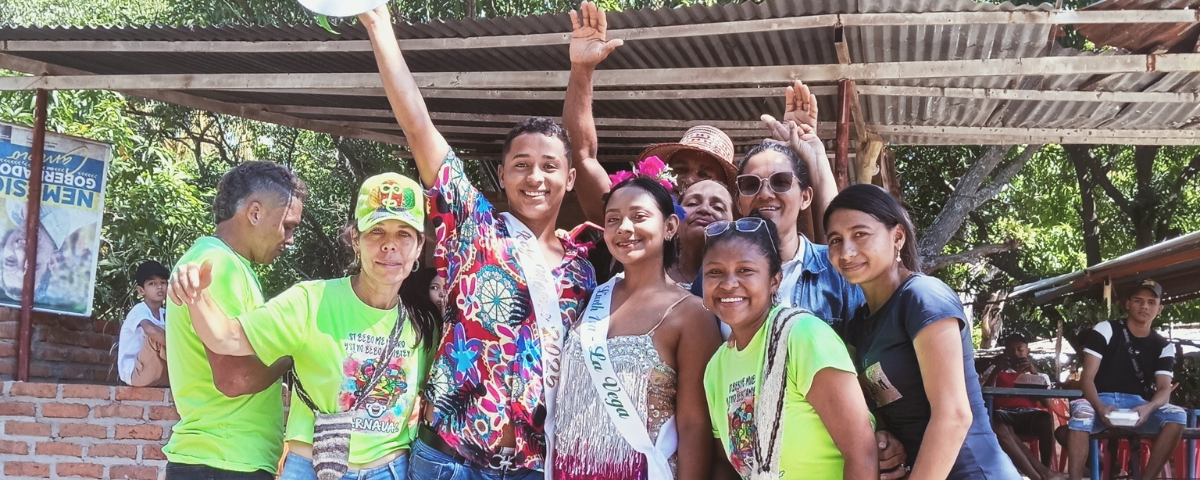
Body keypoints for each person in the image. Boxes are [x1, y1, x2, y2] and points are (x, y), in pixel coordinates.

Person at [362, 7, 597, 479]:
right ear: (503, 175)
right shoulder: (474, 227)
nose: (536, 177)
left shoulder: (585, 272)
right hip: (450, 458)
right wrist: (378, 24)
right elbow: (417, 126)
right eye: (522, 165)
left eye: (550, 167)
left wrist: (583, 72)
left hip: (536, 467)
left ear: (569, 179)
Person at [170, 173, 439, 480]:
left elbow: (437, 400)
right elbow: (226, 338)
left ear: (419, 246)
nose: (390, 246)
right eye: (376, 231)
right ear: (356, 240)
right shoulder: (310, 300)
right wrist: (195, 295)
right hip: (311, 469)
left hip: (391, 471)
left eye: (404, 234)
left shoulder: (424, 323)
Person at [825, 184, 1019, 480]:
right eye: (835, 240)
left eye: (860, 234)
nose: (847, 251)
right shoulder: (858, 324)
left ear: (897, 236)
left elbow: (954, 416)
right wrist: (886, 437)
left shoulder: (923, 298)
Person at [553, 176, 721, 480]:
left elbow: (694, 425)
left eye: (638, 216)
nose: (624, 228)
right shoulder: (591, 298)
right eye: (613, 219)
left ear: (670, 226)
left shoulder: (692, 314)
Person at [702, 214, 877, 480]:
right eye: (715, 272)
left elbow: (863, 455)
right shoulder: (716, 368)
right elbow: (729, 466)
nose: (728, 284)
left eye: (745, 270)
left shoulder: (804, 337)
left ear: (775, 280)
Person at [164, 161, 307, 480]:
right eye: (288, 226)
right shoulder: (218, 266)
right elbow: (234, 378)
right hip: (225, 463)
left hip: (219, 460)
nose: (291, 239)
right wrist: (293, 354)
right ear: (255, 213)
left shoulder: (224, 263)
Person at [692, 141, 862, 333]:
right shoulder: (712, 274)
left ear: (805, 198)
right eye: (751, 184)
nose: (765, 194)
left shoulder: (837, 270)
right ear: (739, 203)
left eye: (780, 182)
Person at [1064, 279, 1184, 480]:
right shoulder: (1106, 329)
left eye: (1151, 302)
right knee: (1082, 413)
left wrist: (1148, 408)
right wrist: (1100, 406)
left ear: (1159, 308)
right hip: (1098, 400)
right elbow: (1087, 379)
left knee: (1177, 416)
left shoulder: (1163, 346)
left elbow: (1164, 389)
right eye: (1138, 300)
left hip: (1137, 405)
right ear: (1128, 304)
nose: (1144, 306)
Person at [980, 334, 1064, 480]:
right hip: (1002, 414)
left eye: (1020, 350)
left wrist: (1034, 373)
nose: (1016, 354)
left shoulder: (1039, 374)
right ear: (1005, 352)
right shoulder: (994, 370)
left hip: (1028, 415)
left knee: (1046, 419)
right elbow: (983, 396)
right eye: (1011, 350)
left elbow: (1047, 403)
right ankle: (1042, 474)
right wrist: (996, 371)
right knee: (997, 422)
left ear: (1027, 351)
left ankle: (1046, 468)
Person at [670, 179, 733, 288]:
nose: (704, 209)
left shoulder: (742, 279)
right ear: (673, 222)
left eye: (718, 207)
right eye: (692, 203)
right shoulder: (653, 275)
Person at [118, 260, 171, 387]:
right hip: (137, 373)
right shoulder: (139, 310)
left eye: (163, 283)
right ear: (141, 290)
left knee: (182, 329)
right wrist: (183, 345)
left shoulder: (166, 313)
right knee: (155, 337)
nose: (159, 287)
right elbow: (151, 330)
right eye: (152, 283)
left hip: (159, 372)